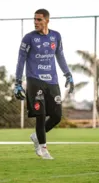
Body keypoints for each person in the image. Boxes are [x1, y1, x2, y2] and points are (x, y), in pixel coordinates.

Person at [14, 9, 74, 160]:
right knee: (40, 115)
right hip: (35, 80)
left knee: (56, 116)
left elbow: (60, 56)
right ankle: (44, 149)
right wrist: (18, 83)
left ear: (47, 20)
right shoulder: (28, 38)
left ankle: (36, 136)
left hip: (52, 81)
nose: (36, 22)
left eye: (39, 20)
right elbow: (21, 59)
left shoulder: (56, 36)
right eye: (34, 19)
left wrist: (68, 74)